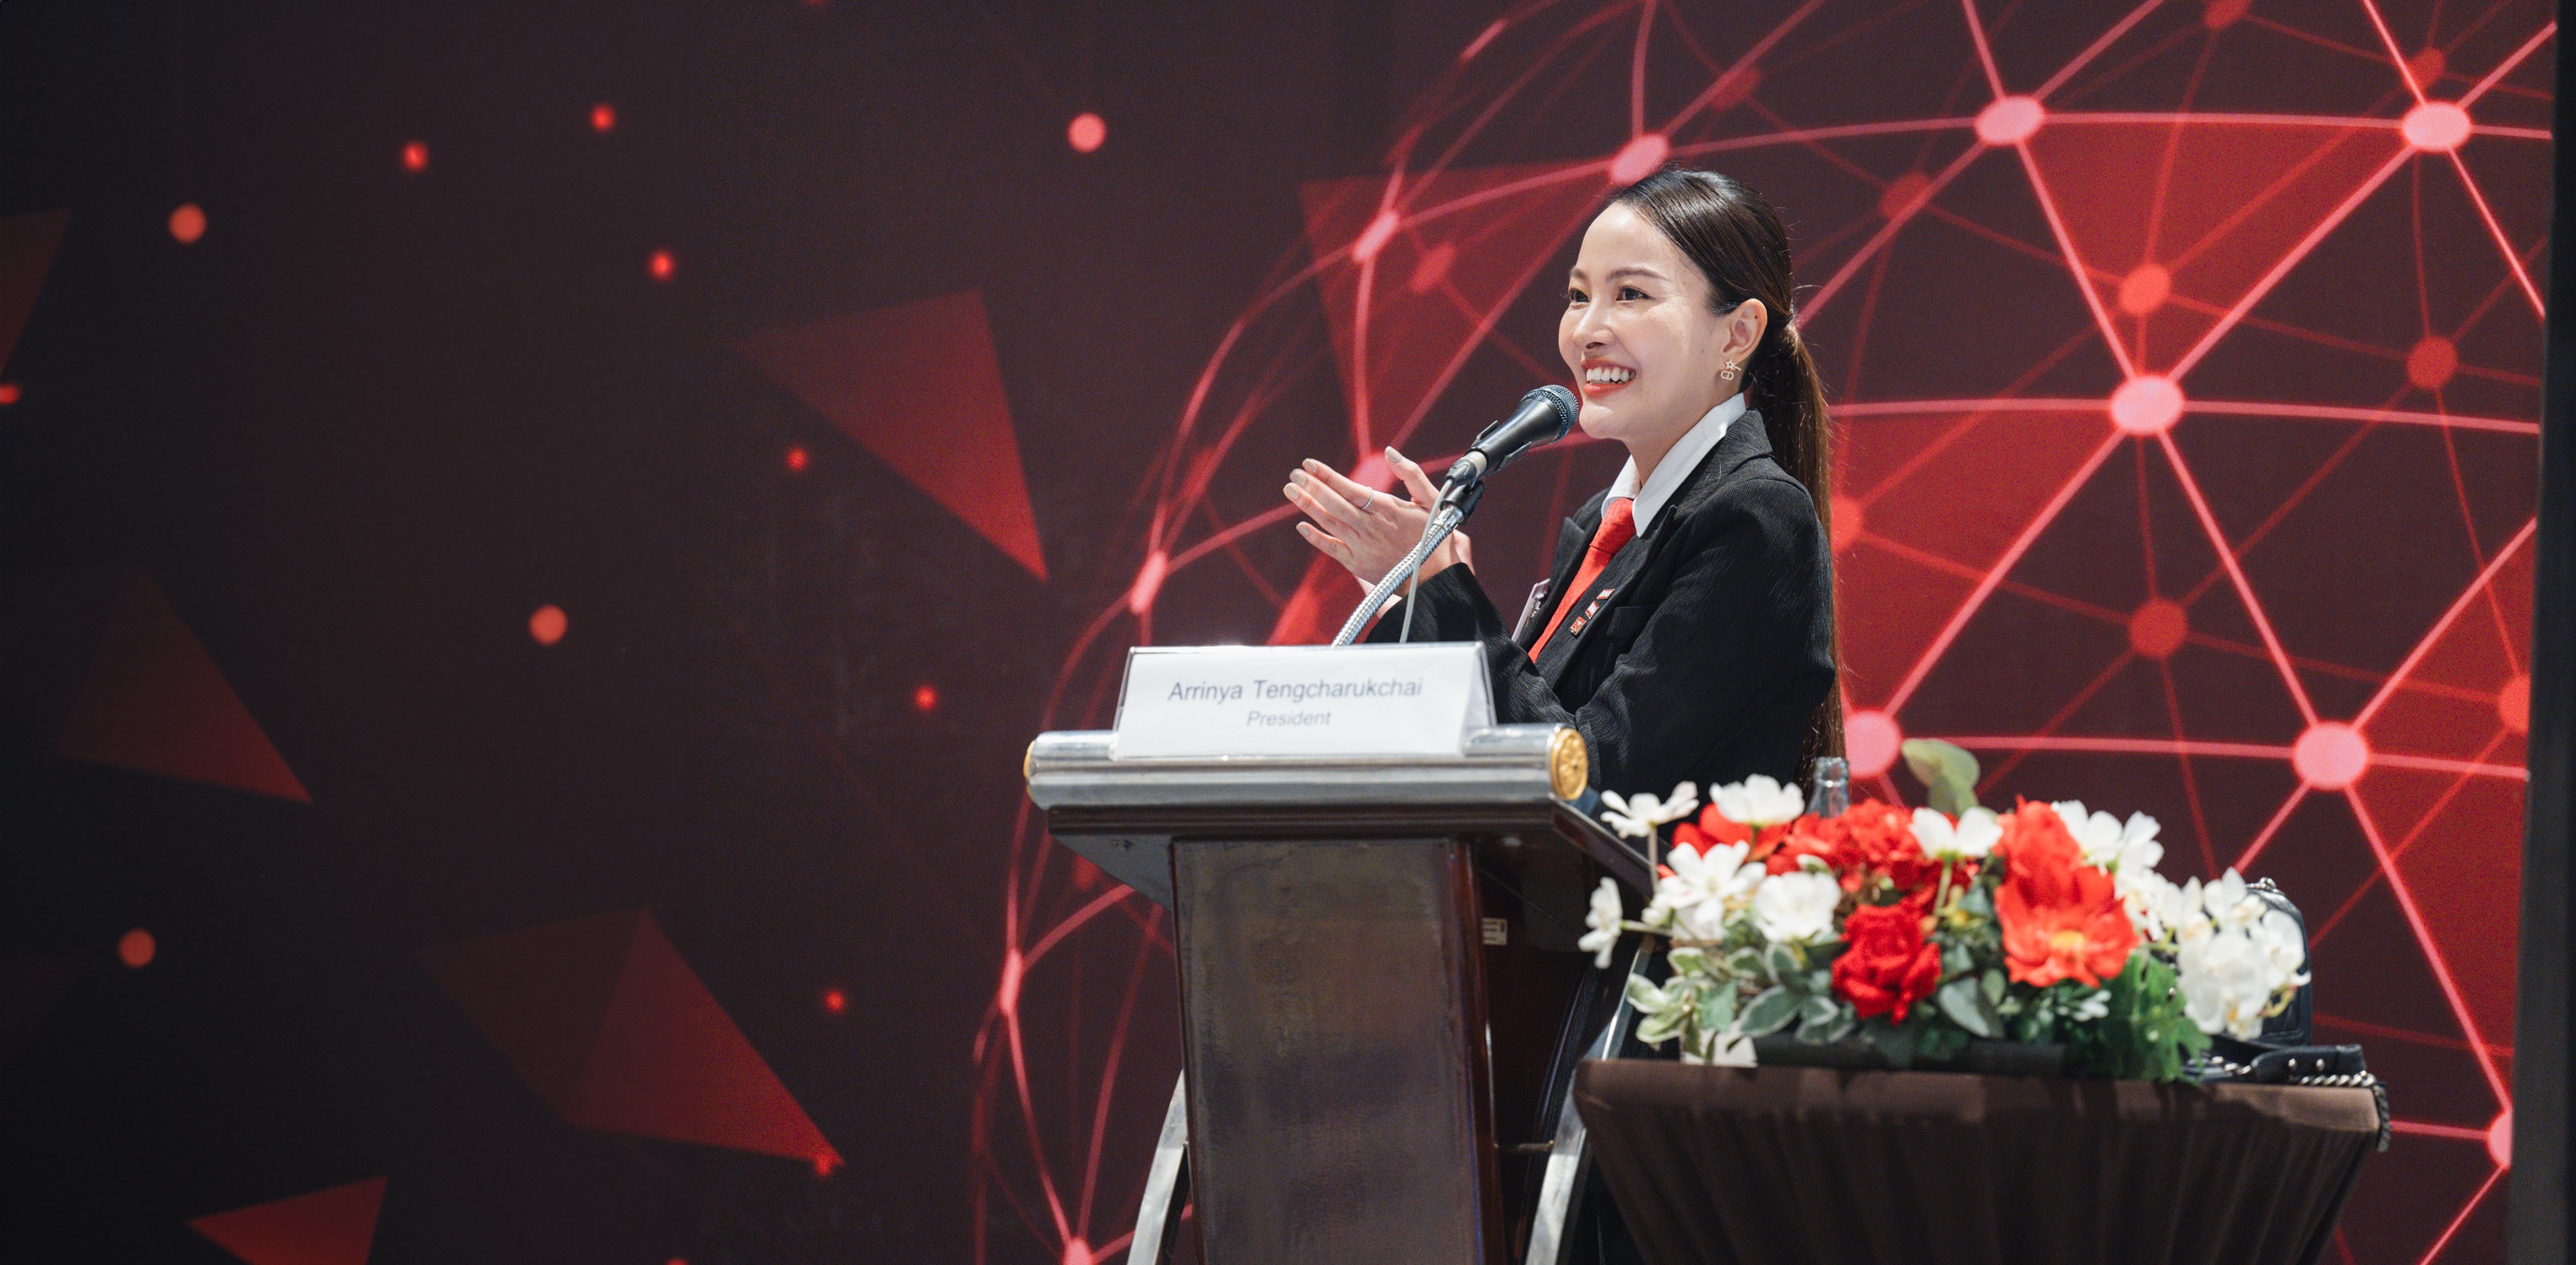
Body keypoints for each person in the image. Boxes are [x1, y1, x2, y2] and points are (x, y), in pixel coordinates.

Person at [1283, 168, 1840, 799]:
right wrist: (1425, 609)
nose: (1585, 330)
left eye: (1631, 294)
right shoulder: (1601, 522)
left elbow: (1591, 778)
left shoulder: (1755, 517)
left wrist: (1448, 597)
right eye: (1578, 296)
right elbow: (1520, 734)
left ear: (1737, 333)